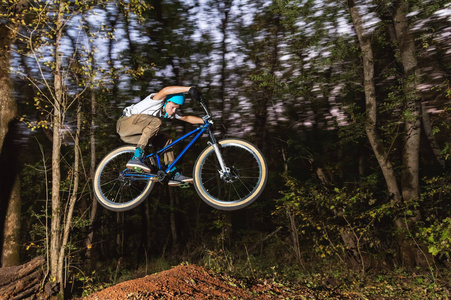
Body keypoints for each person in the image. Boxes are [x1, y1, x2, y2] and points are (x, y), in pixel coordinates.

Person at [116, 86, 204, 186]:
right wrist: (189, 89)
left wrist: (205, 121)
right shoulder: (156, 101)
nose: (174, 110)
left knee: (166, 139)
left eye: (177, 108)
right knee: (156, 121)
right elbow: (165, 91)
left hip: (134, 135)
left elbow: (186, 118)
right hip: (124, 124)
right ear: (166, 101)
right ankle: (137, 156)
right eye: (173, 106)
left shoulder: (169, 111)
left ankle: (172, 171)